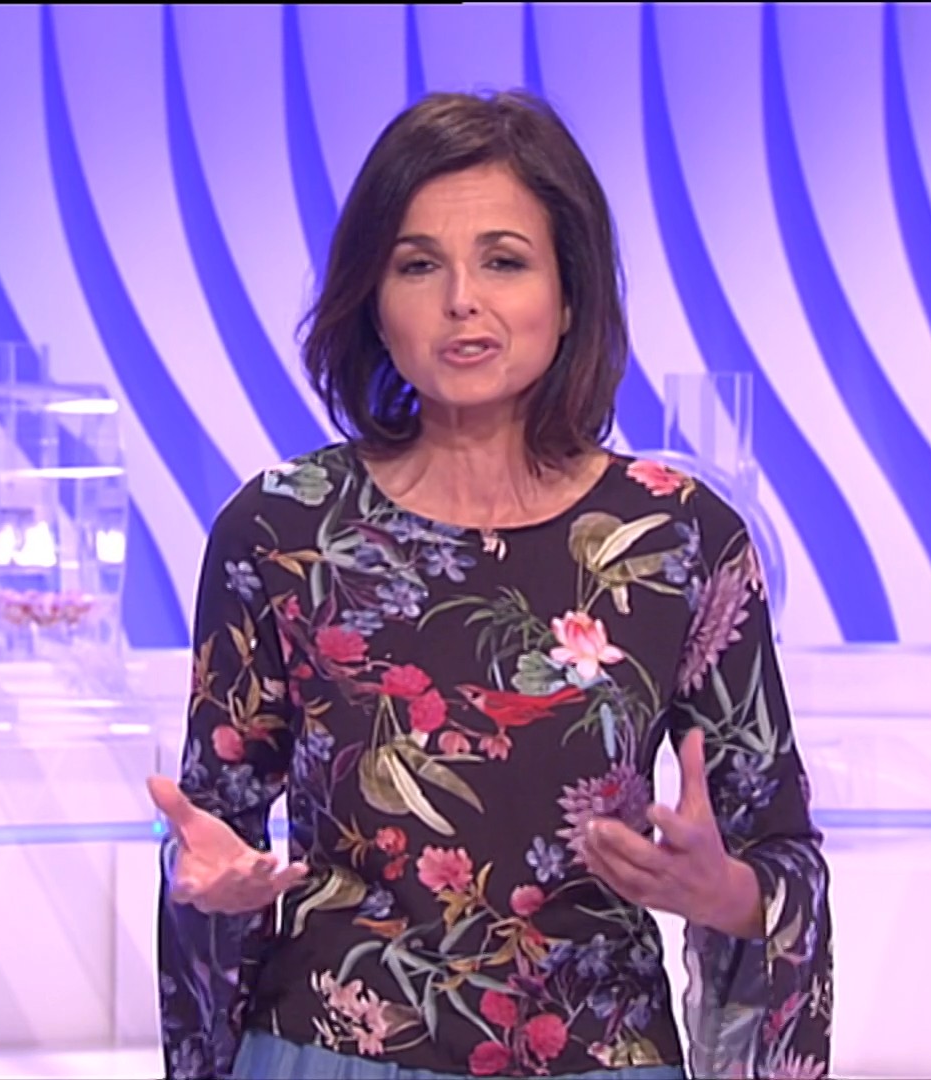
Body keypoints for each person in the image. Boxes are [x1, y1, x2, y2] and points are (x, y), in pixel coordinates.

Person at [149, 90, 832, 1080]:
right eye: (418, 264)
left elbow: (781, 860)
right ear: (373, 301)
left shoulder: (680, 539)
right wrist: (207, 888)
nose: (461, 299)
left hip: (596, 1053)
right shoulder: (281, 530)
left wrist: (720, 893)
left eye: (504, 261)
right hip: (326, 1050)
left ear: (570, 294)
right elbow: (212, 839)